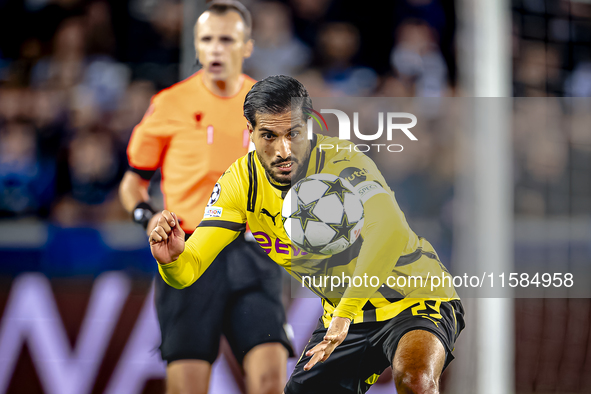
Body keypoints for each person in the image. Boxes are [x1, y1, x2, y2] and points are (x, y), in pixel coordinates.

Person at [149, 75, 465, 394]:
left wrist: (345, 312)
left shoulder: (343, 162)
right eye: (269, 136)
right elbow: (189, 269)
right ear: (250, 133)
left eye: (293, 133)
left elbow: (390, 231)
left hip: (415, 298)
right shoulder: (240, 184)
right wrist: (172, 260)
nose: (283, 150)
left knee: (416, 381)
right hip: (345, 316)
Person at [118, 3, 292, 394]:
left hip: (253, 250)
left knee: (270, 382)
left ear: (246, 46)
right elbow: (133, 183)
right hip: (190, 251)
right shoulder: (169, 104)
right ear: (196, 46)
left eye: (226, 39)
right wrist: (147, 217)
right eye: (207, 39)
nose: (216, 48)